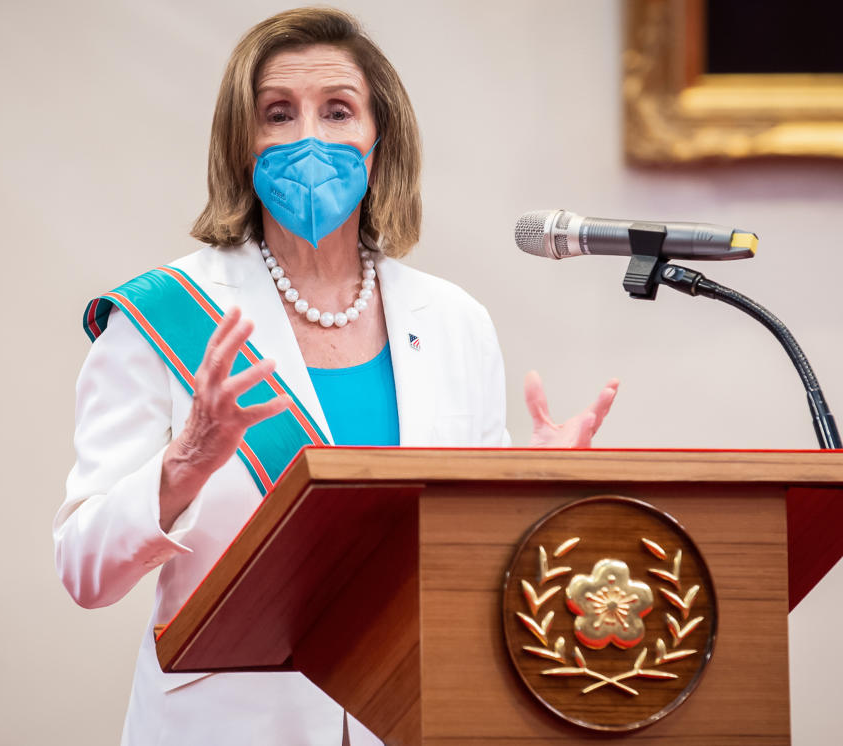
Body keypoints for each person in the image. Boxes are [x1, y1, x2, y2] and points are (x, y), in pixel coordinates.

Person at [53, 7, 618, 745]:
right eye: (278, 115)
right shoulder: (160, 318)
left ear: (379, 145)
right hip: (230, 728)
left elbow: (472, 567)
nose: (308, 138)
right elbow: (83, 571)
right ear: (241, 145)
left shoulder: (454, 322)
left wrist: (532, 499)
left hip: (412, 716)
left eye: (338, 111)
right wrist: (182, 465)